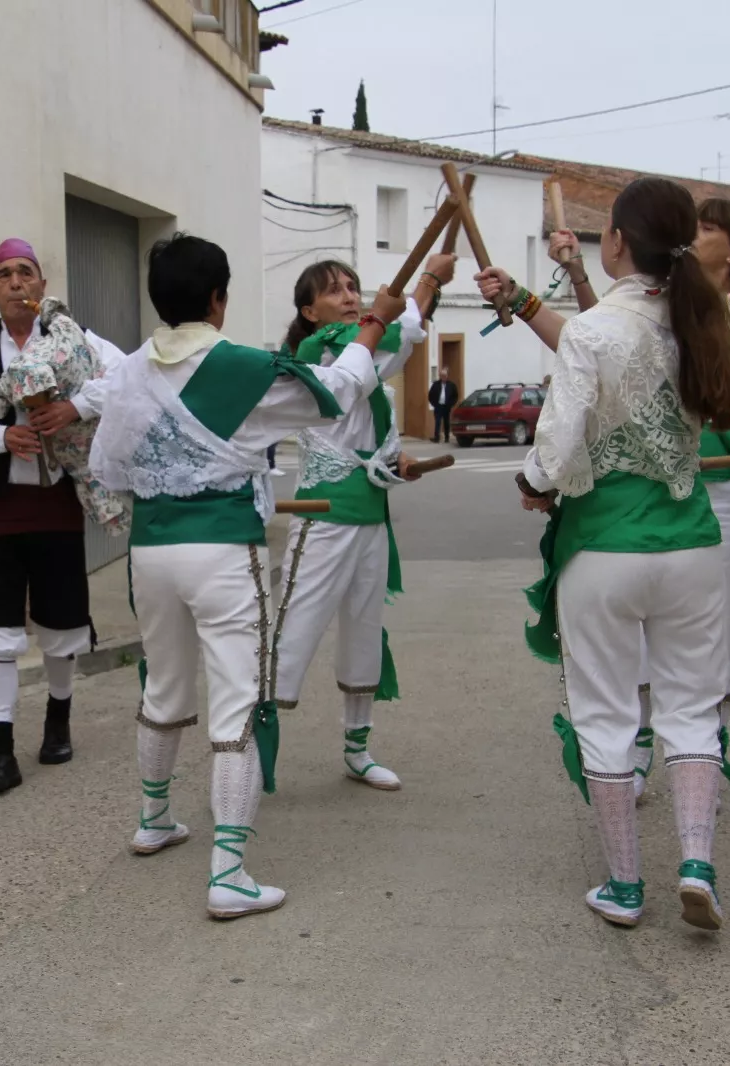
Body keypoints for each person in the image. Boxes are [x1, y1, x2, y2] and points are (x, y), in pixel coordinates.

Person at [89, 234, 407, 919]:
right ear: (217, 299)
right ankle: (228, 871)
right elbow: (338, 393)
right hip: (222, 550)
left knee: (165, 685)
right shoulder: (243, 366)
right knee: (235, 700)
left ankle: (154, 819)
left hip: (151, 551)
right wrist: (374, 324)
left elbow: (107, 466)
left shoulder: (131, 371)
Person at [512, 177, 730, 931]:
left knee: (608, 711)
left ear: (615, 242)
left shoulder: (594, 332)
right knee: (691, 706)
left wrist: (532, 482)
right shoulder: (708, 319)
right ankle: (695, 861)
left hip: (604, 547)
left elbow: (554, 449)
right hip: (691, 547)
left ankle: (624, 885)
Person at [548, 200, 730, 801]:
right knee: (642, 634)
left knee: (712, 637)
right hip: (642, 488)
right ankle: (644, 759)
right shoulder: (656, 302)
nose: (692, 235)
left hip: (719, 490)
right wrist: (556, 281)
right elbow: (598, 342)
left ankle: (703, 761)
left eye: (708, 229)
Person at [0, 238, 127, 796]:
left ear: (41, 285)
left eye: (26, 273)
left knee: (62, 621)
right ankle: (0, 750)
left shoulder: (76, 340)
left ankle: (58, 721)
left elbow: (124, 380)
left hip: (56, 502)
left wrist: (75, 406)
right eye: (4, 275)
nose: (16, 282)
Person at [270, 253, 456, 792]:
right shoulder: (321, 355)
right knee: (293, 634)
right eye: (334, 291)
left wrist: (393, 461)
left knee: (363, 632)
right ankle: (250, 749)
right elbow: (405, 329)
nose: (350, 296)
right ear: (309, 310)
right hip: (324, 520)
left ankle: (358, 747)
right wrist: (428, 281)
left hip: (370, 518)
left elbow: (401, 331)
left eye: (353, 287)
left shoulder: (365, 349)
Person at [427, 365, 458, 443]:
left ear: (447, 376)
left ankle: (447, 437)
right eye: (441, 375)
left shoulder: (451, 385)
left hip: (446, 406)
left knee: (446, 422)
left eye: (444, 375)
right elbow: (430, 395)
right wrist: (434, 404)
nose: (443, 377)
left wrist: (451, 404)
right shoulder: (436, 385)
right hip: (438, 406)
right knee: (437, 422)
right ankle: (436, 437)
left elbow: (455, 396)